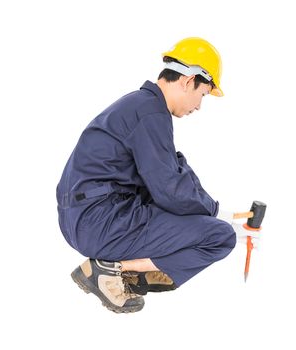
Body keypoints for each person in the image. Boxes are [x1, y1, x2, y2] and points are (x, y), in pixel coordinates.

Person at [56, 37, 236, 313]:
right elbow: (170, 191)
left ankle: (125, 272)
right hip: (98, 222)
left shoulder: (139, 106)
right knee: (220, 236)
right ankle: (109, 270)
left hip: (84, 217)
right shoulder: (151, 114)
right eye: (203, 95)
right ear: (189, 81)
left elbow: (166, 180)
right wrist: (214, 212)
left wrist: (204, 207)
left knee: (196, 219)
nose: (199, 106)